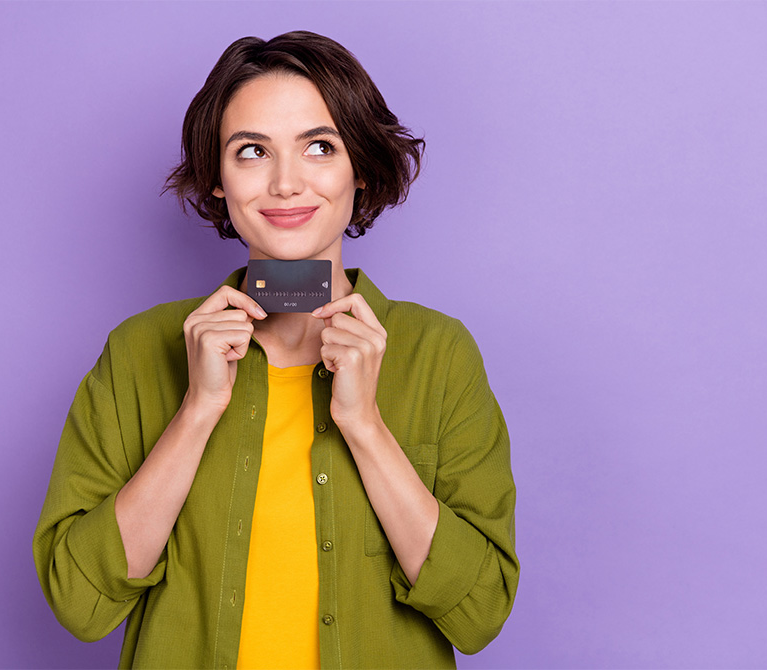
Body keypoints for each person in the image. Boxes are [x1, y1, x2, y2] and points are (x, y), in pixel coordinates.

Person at [33, 31, 518, 669]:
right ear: (216, 180)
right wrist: (198, 409)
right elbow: (80, 600)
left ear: (362, 169)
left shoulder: (439, 355)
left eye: (320, 147)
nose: (286, 184)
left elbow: (480, 612)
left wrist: (365, 427)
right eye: (253, 151)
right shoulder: (136, 353)